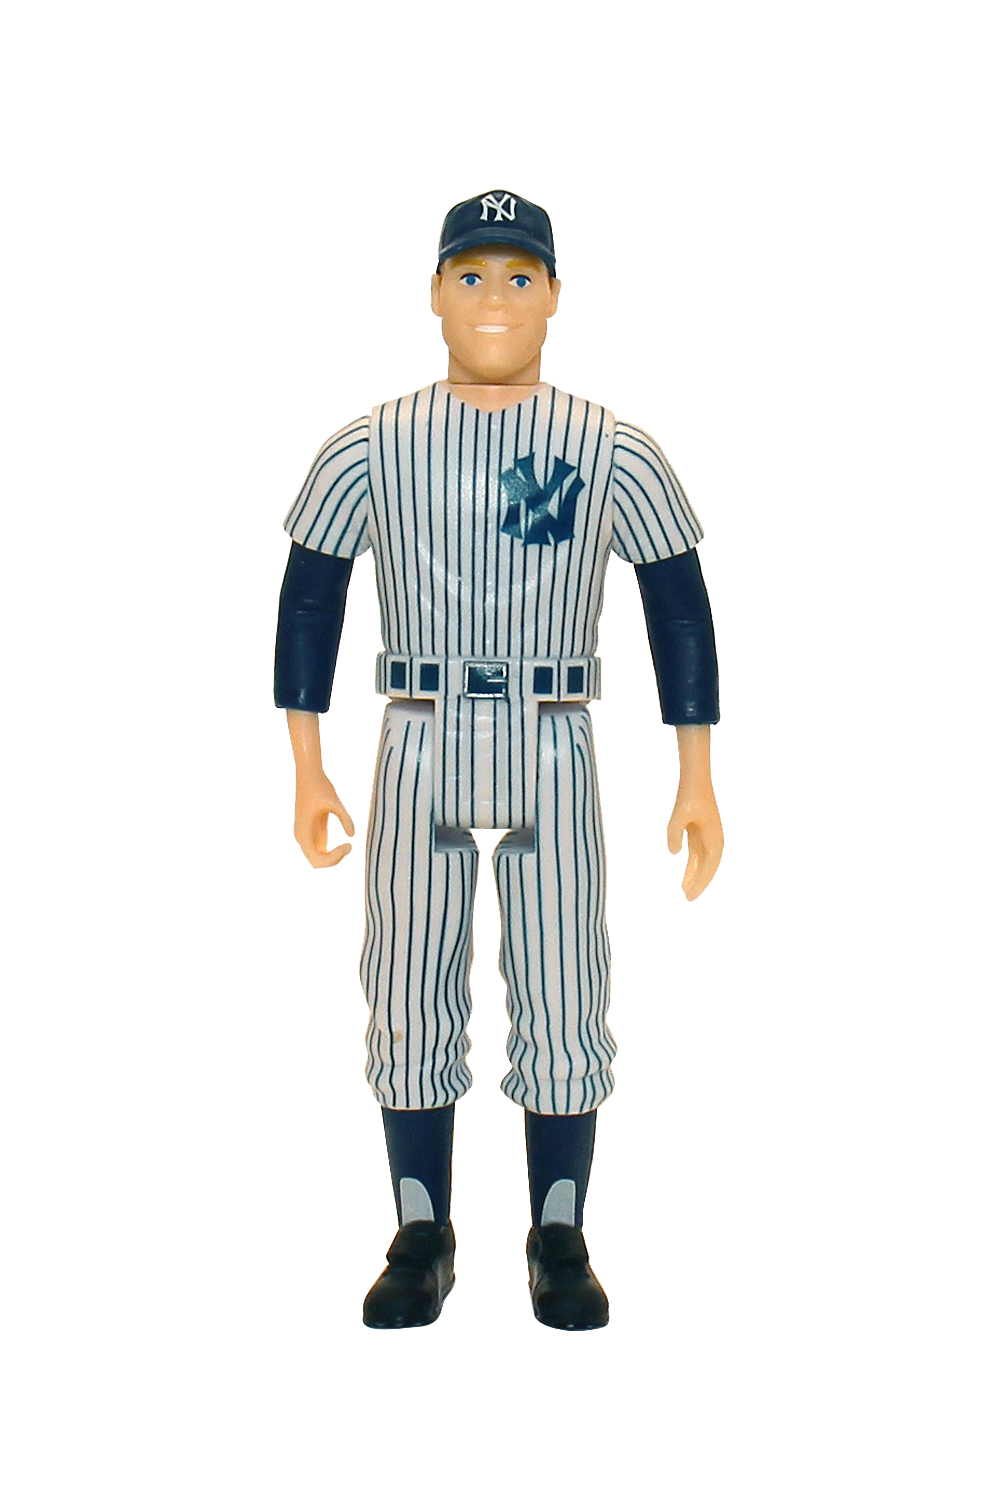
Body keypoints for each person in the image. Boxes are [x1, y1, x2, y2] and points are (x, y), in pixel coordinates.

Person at [274, 191, 723, 1330]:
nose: (494, 299)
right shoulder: (371, 444)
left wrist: (698, 772)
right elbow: (310, 602)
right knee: (404, 976)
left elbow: (678, 605)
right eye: (470, 274)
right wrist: (307, 764)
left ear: (557, 295)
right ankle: (420, 1231)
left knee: (566, 977)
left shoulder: (611, 448)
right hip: (418, 727)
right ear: (433, 291)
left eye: (520, 277)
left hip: (551, 730)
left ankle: (558, 1233)